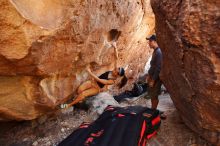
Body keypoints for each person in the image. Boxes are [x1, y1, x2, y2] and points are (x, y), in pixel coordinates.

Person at [61, 42, 127, 109]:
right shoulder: (115, 70)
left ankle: (68, 105)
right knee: (79, 90)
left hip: (96, 88)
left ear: (118, 75)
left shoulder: (112, 81)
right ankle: (79, 101)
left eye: (116, 71)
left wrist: (89, 72)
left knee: (83, 94)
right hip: (92, 82)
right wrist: (115, 47)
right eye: (116, 69)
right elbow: (116, 58)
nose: (115, 70)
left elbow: (99, 80)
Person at [146, 35, 165, 118]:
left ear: (154, 41)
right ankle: (152, 109)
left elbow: (158, 68)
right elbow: (152, 66)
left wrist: (153, 80)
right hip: (152, 77)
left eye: (150, 41)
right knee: (152, 94)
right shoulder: (155, 51)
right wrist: (149, 75)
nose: (148, 43)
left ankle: (153, 112)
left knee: (154, 95)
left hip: (156, 79)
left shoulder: (159, 52)